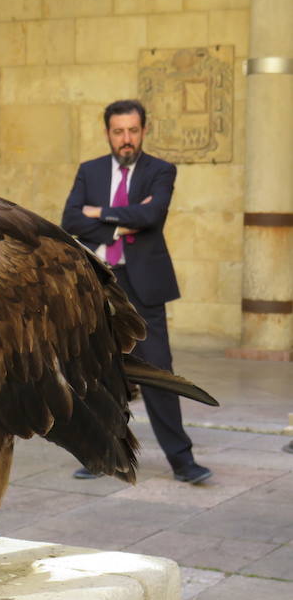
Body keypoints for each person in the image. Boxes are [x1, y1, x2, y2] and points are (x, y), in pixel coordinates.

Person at [61, 99, 212, 484]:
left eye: (132, 130)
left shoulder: (161, 170)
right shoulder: (90, 171)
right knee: (95, 371)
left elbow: (152, 215)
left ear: (144, 130)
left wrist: (101, 212)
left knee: (158, 370)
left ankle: (182, 460)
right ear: (108, 133)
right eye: (118, 131)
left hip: (144, 286)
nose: (125, 139)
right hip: (100, 283)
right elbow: (71, 219)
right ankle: (101, 456)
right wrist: (117, 224)